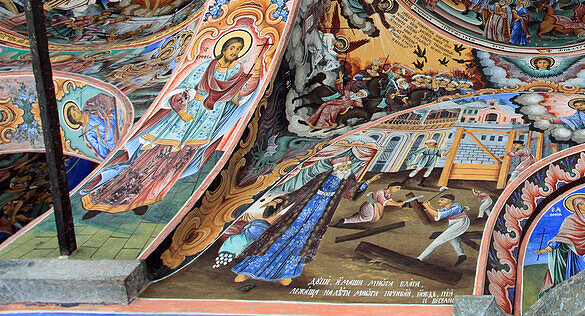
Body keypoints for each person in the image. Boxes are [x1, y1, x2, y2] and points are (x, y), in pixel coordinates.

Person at [81, 30, 259, 216]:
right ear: (223, 49)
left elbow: (240, 97)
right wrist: (182, 111)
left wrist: (254, 76)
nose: (235, 52)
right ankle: (110, 196)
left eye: (239, 49)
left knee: (175, 164)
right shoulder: (206, 66)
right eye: (232, 48)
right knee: (151, 157)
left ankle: (146, 197)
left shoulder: (237, 72)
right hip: (182, 120)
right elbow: (183, 88)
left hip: (206, 123)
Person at [232, 156, 362, 285]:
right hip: (302, 211)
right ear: (335, 168)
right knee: (279, 239)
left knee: (301, 243)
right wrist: (279, 201)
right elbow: (301, 191)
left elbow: (351, 194)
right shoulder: (322, 176)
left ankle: (285, 274)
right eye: (343, 167)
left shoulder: (348, 179)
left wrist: (364, 186)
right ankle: (248, 270)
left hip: (320, 216)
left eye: (347, 166)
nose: (346, 169)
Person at [417, 194, 469, 266]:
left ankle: (420, 258)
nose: (439, 201)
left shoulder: (456, 207)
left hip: (460, 223)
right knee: (453, 238)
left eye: (442, 200)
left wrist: (426, 207)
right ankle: (461, 255)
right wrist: (429, 206)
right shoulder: (448, 206)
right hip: (454, 222)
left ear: (449, 200)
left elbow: (437, 215)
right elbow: (438, 212)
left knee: (438, 241)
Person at [62, 94, 117, 160]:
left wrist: (106, 112)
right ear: (76, 121)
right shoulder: (88, 133)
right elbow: (103, 153)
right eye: (74, 114)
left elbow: (104, 100)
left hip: (116, 117)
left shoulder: (89, 108)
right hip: (114, 138)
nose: (77, 111)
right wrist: (100, 138)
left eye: (74, 109)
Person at [339, 176, 405, 226]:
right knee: (367, 218)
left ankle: (357, 216)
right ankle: (345, 221)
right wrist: (397, 204)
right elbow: (385, 202)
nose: (398, 190)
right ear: (390, 187)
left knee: (370, 218)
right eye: (397, 188)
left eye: (399, 188)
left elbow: (390, 200)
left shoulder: (388, 193)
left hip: (374, 207)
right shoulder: (381, 192)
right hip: (369, 206)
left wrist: (398, 203)